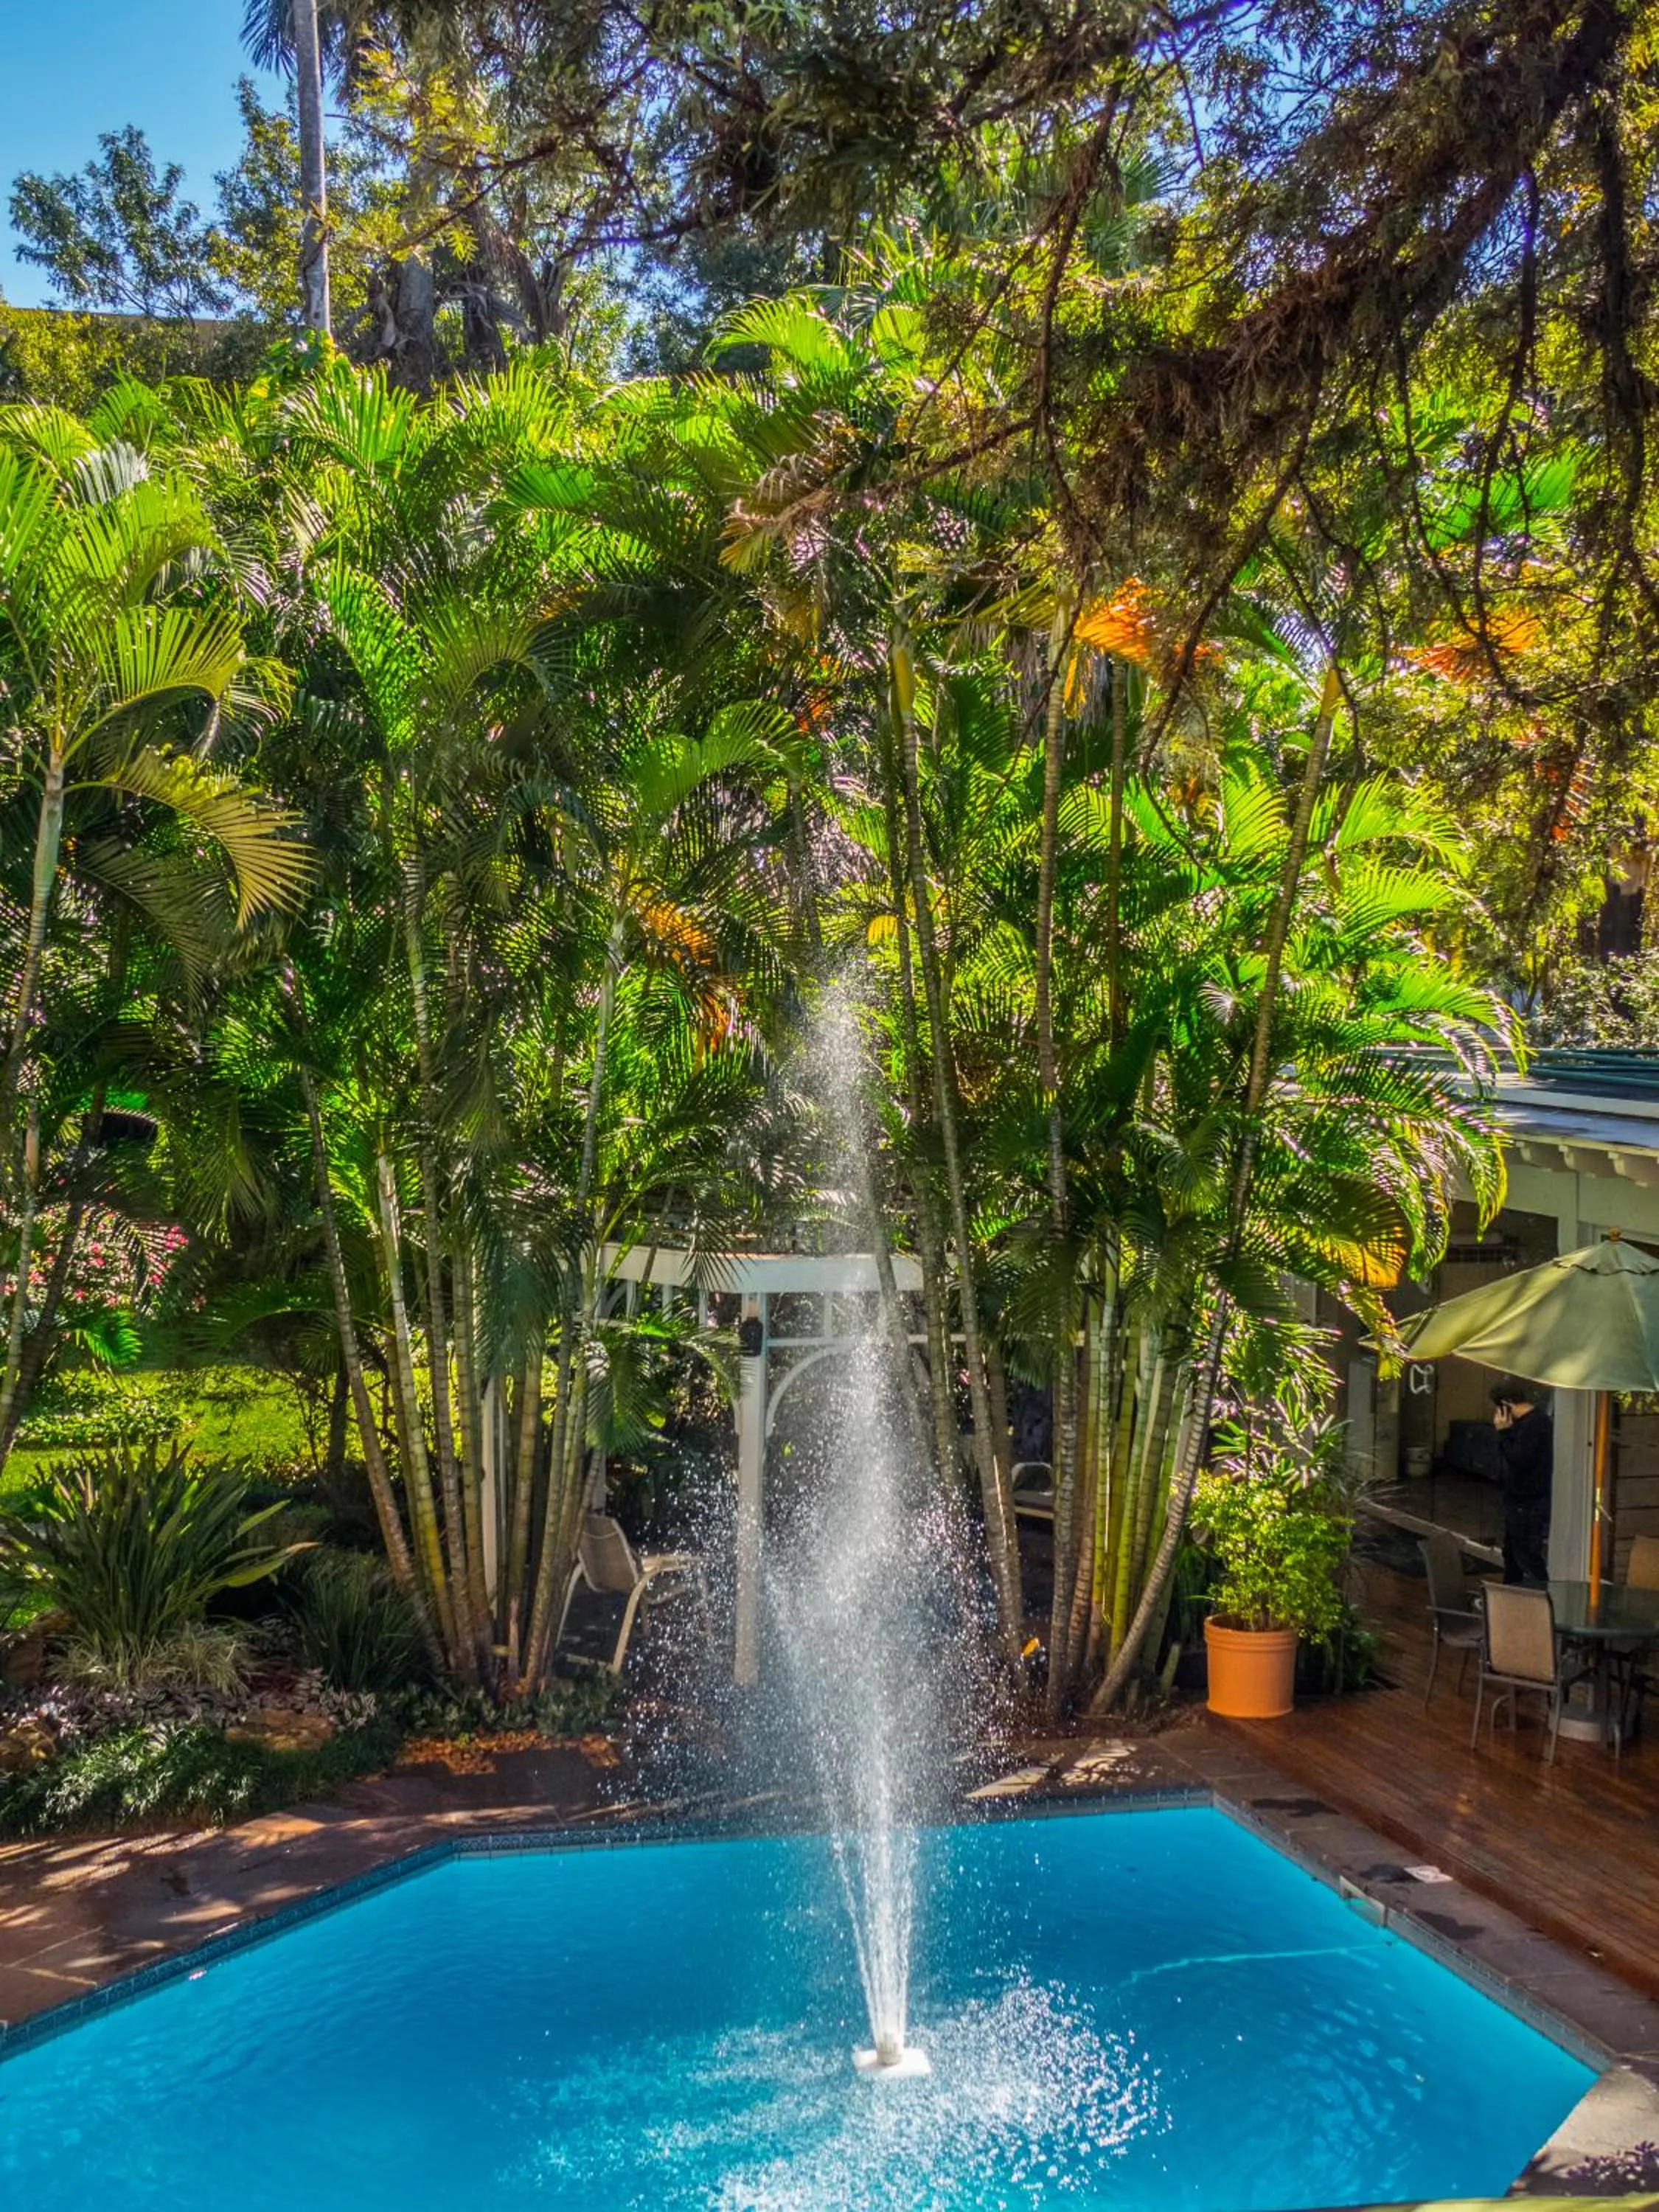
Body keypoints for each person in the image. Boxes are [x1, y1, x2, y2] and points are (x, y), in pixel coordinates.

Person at [1490, 1377, 1553, 1587]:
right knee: (1512, 1553)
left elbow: (1519, 1460)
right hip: (1517, 1499)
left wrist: (1504, 1433)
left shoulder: (1534, 1425)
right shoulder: (1531, 1423)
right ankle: (1511, 1597)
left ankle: (1544, 1597)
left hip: (1528, 1501)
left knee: (1526, 1554)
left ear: (1506, 1405)